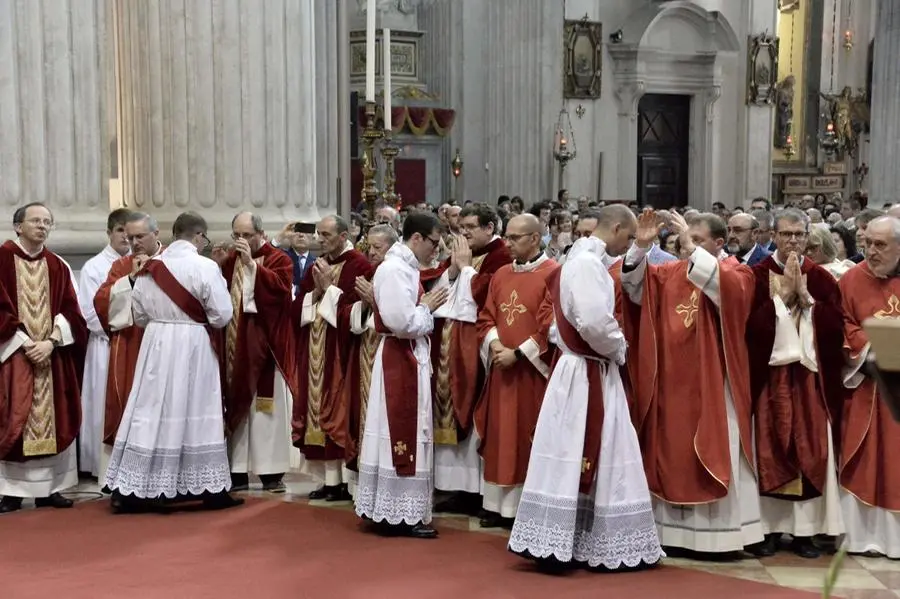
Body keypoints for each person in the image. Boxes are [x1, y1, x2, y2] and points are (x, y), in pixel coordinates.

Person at [508, 204, 663, 570]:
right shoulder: (588, 264)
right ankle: (570, 541)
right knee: (595, 446)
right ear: (616, 228)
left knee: (568, 449)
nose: (627, 245)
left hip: (577, 370)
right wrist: (620, 348)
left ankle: (566, 537)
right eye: (627, 238)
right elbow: (594, 322)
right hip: (587, 371)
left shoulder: (579, 257)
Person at [620, 209, 762, 556]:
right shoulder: (669, 272)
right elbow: (633, 286)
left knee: (718, 446)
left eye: (697, 241)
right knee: (671, 451)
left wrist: (686, 241)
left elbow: (722, 287)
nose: (687, 248)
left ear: (719, 243)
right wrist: (640, 247)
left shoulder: (737, 272)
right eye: (686, 241)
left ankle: (721, 537)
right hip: (672, 381)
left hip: (715, 381)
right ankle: (672, 533)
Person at [104, 212, 240, 512]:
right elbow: (221, 316)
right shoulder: (205, 267)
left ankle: (136, 489)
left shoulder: (150, 269)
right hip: (192, 346)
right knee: (197, 411)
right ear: (199, 237)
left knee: (151, 411)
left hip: (155, 345)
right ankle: (209, 488)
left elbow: (137, 316)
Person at [745, 209, 845, 558]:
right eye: (786, 234)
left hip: (808, 381)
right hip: (770, 380)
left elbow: (836, 329)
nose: (792, 241)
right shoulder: (756, 275)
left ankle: (805, 532)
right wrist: (782, 300)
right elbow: (749, 329)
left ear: (807, 237)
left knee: (811, 448)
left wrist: (808, 302)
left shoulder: (819, 278)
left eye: (799, 235)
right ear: (772, 235)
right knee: (770, 448)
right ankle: (769, 529)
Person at [355, 211, 449, 539]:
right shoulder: (395, 269)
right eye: (434, 243)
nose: (437, 250)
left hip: (405, 355)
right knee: (402, 429)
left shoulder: (404, 267)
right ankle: (398, 514)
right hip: (401, 356)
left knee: (402, 427)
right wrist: (428, 308)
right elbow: (402, 323)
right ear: (417, 238)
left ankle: (393, 509)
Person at [0, 203, 88, 513]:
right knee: (13, 417)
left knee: (57, 414)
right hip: (13, 355)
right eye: (35, 221)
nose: (42, 226)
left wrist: (51, 342)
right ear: (18, 226)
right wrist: (25, 343)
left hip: (52, 359)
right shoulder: (1, 260)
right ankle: (10, 492)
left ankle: (51, 488)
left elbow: (72, 312)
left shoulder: (58, 265)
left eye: (47, 222)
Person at [474, 214, 557, 528]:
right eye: (506, 237)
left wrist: (518, 355)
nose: (507, 243)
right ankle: (495, 505)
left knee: (525, 435)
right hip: (500, 370)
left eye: (514, 238)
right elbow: (488, 316)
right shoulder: (501, 274)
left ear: (535, 239)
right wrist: (496, 346)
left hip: (529, 374)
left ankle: (522, 507)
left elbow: (549, 326)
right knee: (499, 435)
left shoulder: (553, 274)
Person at [432, 203, 512, 515]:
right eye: (461, 226)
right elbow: (438, 288)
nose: (463, 232)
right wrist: (453, 270)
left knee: (477, 415)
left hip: (478, 348)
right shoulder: (461, 253)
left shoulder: (501, 256)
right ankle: (456, 487)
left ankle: (479, 491)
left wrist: (465, 269)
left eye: (470, 227)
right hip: (449, 345)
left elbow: (491, 294)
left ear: (490, 228)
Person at [293, 215, 373, 501]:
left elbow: (357, 312)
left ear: (343, 236)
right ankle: (329, 480)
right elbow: (299, 304)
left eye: (326, 234)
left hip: (342, 352)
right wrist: (315, 291)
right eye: (319, 234)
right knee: (316, 409)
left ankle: (344, 480)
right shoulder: (319, 264)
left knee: (339, 412)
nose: (320, 239)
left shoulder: (359, 265)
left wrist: (328, 289)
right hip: (316, 347)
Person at [222, 213, 299, 494]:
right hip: (235, 345)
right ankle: (237, 471)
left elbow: (280, 294)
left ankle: (271, 472)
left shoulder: (279, 259)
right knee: (238, 408)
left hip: (266, 347)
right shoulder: (229, 261)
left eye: (246, 235)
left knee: (267, 411)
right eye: (237, 236)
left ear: (261, 233)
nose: (241, 241)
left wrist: (252, 267)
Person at [839, 216, 900, 557]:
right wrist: (876, 347)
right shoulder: (850, 279)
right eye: (868, 244)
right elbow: (844, 323)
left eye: (881, 245)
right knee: (865, 458)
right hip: (868, 385)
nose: (871, 252)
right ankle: (863, 537)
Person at [93, 212, 164, 486]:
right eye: (128, 236)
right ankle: (121, 480)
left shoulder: (172, 261)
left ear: (156, 234)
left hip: (164, 347)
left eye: (139, 236)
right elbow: (102, 302)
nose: (133, 242)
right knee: (128, 408)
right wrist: (131, 281)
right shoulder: (121, 266)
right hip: (130, 345)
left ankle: (160, 479)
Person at [342, 224, 398, 497]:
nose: (372, 253)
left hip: (391, 355)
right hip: (366, 352)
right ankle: (362, 484)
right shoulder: (368, 274)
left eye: (378, 247)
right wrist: (364, 304)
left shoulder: (398, 274)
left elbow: (401, 317)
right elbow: (351, 316)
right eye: (369, 247)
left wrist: (373, 301)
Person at [76, 208, 131, 477]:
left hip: (132, 345)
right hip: (106, 345)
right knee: (102, 404)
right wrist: (119, 330)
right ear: (109, 233)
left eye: (129, 231)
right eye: (120, 230)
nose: (125, 236)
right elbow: (88, 312)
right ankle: (99, 465)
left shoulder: (140, 262)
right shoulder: (94, 267)